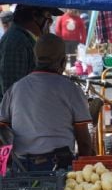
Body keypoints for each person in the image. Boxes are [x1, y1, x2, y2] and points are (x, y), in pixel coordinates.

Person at [0, 33, 94, 172]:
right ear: (63, 61)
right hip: (61, 167)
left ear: (35, 58)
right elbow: (84, 142)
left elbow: (2, 134)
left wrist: (9, 164)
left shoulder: (15, 89)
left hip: (22, 168)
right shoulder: (71, 89)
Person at [0, 5, 63, 101]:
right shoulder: (16, 42)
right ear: (34, 16)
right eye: (48, 15)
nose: (50, 21)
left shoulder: (25, 38)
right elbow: (11, 92)